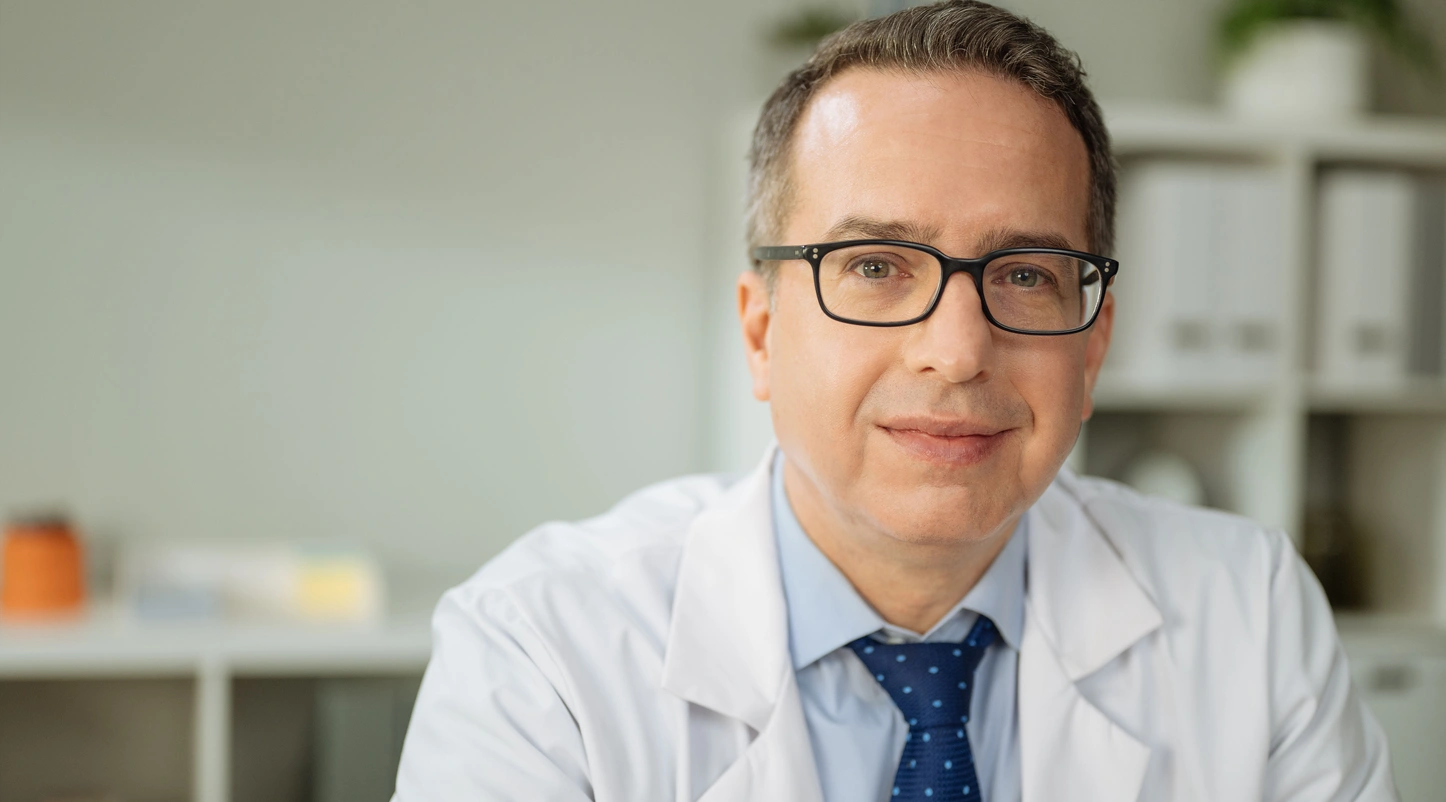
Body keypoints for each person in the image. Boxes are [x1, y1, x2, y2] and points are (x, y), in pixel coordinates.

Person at [392, 2, 1397, 800]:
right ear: (760, 330)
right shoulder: (540, 650)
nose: (957, 352)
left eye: (1025, 273)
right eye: (874, 265)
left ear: (1093, 349)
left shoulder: (1249, 613)